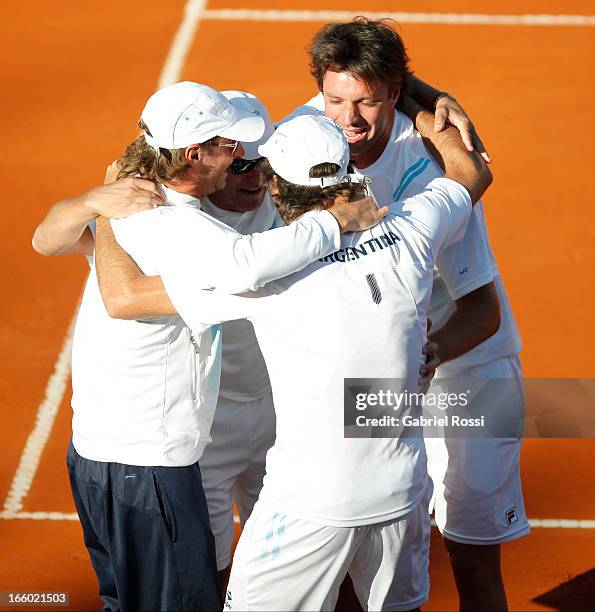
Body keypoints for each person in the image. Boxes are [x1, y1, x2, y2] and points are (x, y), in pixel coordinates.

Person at [91, 98, 492, 610]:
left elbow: (124, 297)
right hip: (404, 496)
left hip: (308, 508)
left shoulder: (267, 278)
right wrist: (418, 104)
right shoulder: (412, 228)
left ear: (275, 187)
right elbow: (471, 173)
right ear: (350, 171)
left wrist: (106, 209)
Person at [32, 81, 384, 612]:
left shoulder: (141, 209)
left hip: (112, 453)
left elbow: (50, 241)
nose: (248, 164)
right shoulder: (178, 228)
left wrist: (96, 206)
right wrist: (334, 222)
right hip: (150, 457)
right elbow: (188, 280)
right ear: (197, 155)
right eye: (234, 151)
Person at [300, 17, 529, 611]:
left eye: (367, 102)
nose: (348, 119)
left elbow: (483, 311)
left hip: (463, 367)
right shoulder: (300, 143)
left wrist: (427, 354)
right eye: (335, 99)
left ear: (395, 94)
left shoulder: (435, 167)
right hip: (375, 368)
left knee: (472, 549)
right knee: (355, 550)